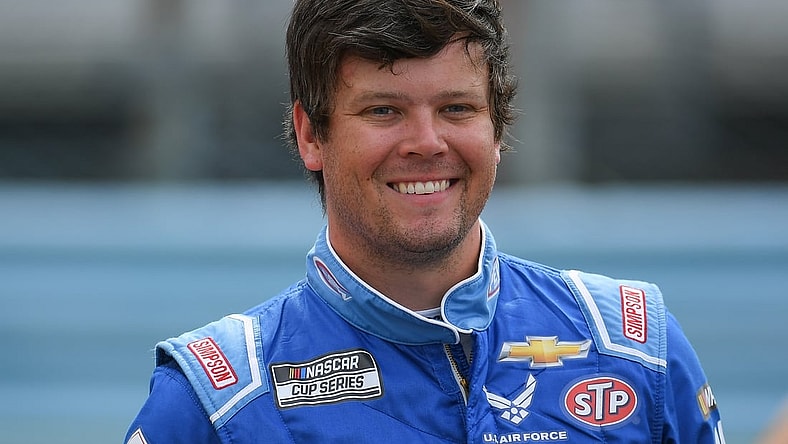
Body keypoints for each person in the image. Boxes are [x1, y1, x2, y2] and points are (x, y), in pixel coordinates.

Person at [125, 0, 725, 442]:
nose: (426, 142)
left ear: (498, 130)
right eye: (384, 111)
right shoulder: (217, 403)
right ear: (311, 135)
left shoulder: (635, 351)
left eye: (457, 108)